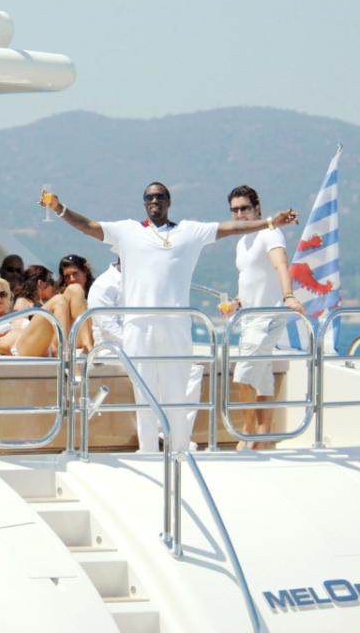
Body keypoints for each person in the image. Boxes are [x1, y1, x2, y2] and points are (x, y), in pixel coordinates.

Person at [43, 182, 299, 452]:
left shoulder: (189, 231)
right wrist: (59, 208)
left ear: (168, 201)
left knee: (177, 392)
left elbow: (230, 228)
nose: (155, 200)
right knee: (144, 393)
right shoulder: (127, 231)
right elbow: (88, 225)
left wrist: (270, 222)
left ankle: (177, 450)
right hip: (138, 326)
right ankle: (149, 451)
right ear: (144, 203)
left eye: (160, 196)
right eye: (150, 197)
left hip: (176, 325)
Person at [222, 185, 306, 450]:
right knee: (262, 376)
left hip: (267, 315)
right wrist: (236, 301)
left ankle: (247, 434)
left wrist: (288, 295)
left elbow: (281, 264)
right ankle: (263, 435)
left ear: (257, 208)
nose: (240, 214)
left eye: (245, 208)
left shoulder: (269, 233)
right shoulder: (241, 241)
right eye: (235, 210)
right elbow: (250, 277)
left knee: (244, 374)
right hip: (249, 316)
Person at [87, 258, 123, 347]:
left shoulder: (141, 281)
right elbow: (108, 328)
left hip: (144, 354)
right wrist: (137, 344)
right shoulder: (103, 285)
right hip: (113, 354)